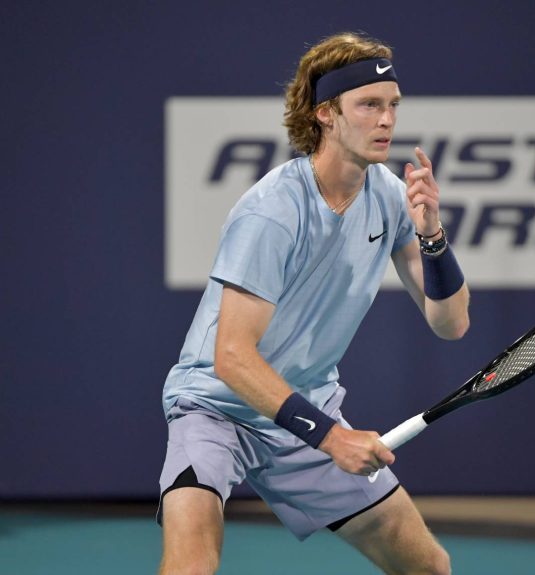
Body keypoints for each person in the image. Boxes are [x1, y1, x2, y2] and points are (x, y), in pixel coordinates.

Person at [157, 31, 470, 575]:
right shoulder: (272, 212)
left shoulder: (390, 196)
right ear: (326, 113)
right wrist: (331, 437)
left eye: (393, 105)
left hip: (305, 407)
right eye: (369, 105)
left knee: (428, 567)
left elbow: (451, 323)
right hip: (216, 408)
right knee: (191, 566)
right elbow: (231, 357)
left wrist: (433, 237)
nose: (387, 121)